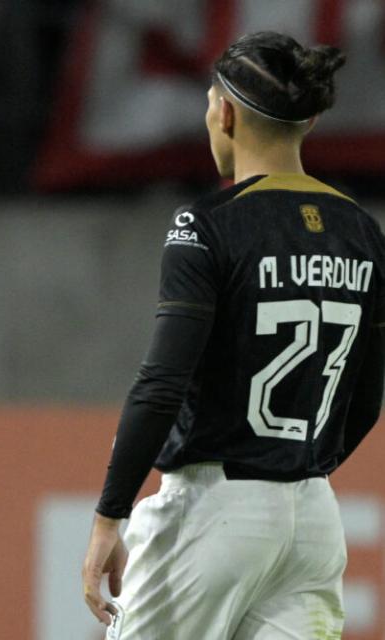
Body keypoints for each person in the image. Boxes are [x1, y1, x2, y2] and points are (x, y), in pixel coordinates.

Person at [82, 31, 385, 639]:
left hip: (212, 510)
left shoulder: (207, 226)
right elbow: (367, 399)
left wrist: (109, 515)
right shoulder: (362, 231)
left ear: (224, 112)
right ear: (311, 119)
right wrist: (295, 473)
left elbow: (162, 383)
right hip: (313, 520)